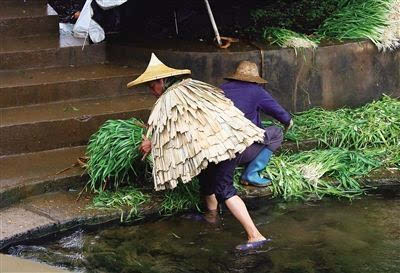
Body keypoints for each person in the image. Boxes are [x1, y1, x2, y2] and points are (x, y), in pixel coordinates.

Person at [127, 53, 269, 251]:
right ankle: (211, 218)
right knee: (206, 182)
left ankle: (255, 235)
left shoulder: (171, 99)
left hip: (222, 145)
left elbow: (174, 131)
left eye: (152, 87)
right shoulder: (190, 87)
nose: (152, 92)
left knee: (225, 189)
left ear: (161, 81)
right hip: (219, 142)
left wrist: (152, 144)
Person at [220, 61, 293, 187]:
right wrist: (288, 121)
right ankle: (251, 174)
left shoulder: (221, 89)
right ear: (255, 79)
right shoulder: (256, 91)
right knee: (276, 133)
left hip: (217, 150)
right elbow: (279, 113)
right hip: (238, 151)